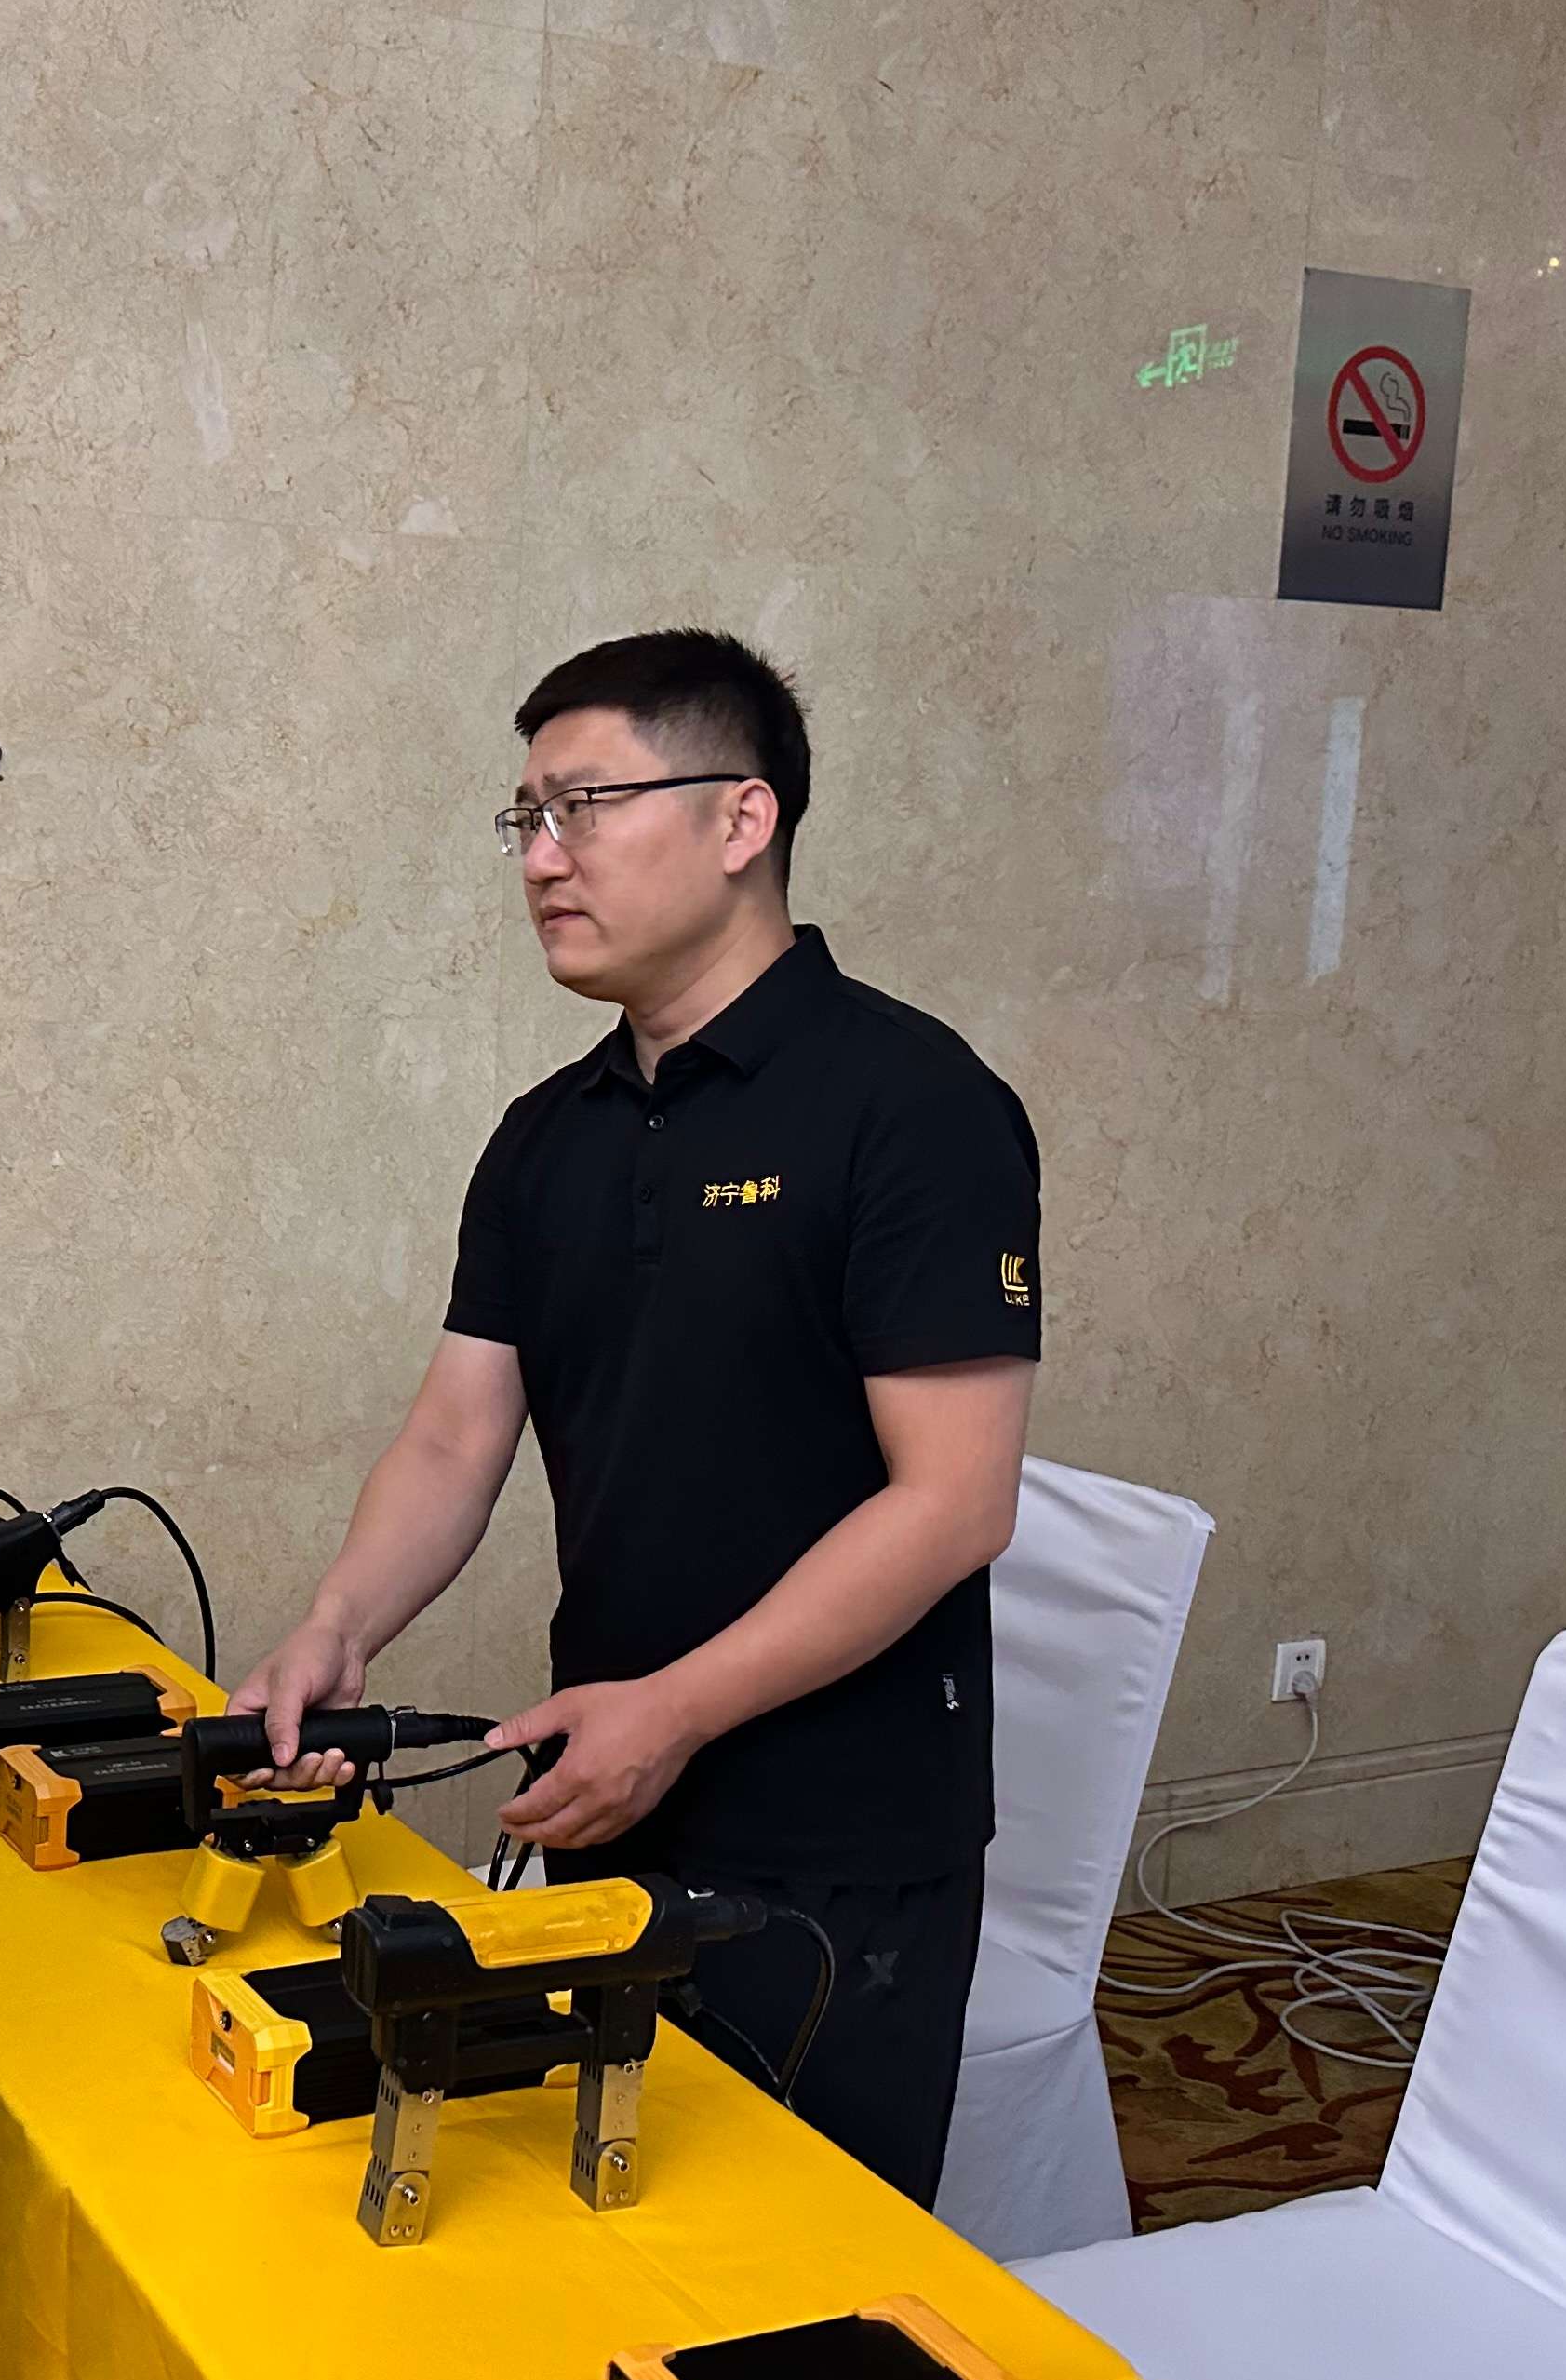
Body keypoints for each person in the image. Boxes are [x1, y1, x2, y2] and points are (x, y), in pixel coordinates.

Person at [231, 629, 1038, 2209]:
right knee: (603, 2234)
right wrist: (337, 1626)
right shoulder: (548, 1137)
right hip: (610, 1792)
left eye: (584, 807)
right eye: (525, 818)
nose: (542, 858)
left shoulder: (913, 1105)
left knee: (800, 2272)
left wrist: (674, 1708)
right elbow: (457, 1437)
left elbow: (954, 1501)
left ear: (741, 820)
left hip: (833, 1842)